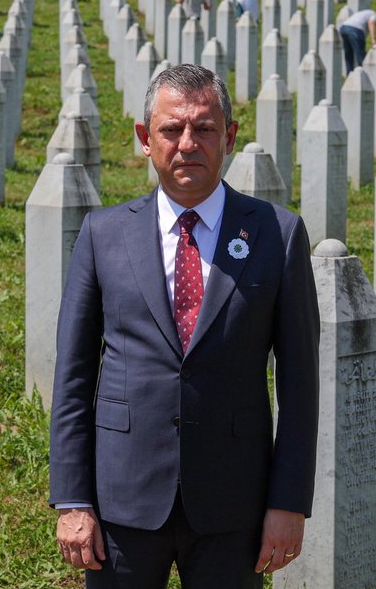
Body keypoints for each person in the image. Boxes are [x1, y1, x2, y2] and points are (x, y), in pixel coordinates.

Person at [49, 63, 320, 587]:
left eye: (205, 128)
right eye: (172, 129)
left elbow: (300, 382)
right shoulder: (103, 234)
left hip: (233, 502)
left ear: (230, 137)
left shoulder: (277, 235)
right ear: (146, 139)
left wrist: (288, 503)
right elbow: (74, 376)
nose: (188, 143)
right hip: (121, 501)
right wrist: (73, 498)